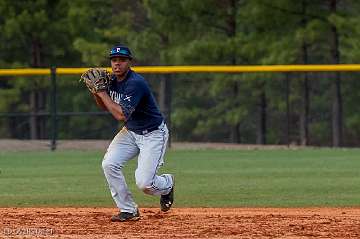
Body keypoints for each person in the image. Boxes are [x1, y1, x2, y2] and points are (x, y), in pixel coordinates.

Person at [93, 44, 174, 222]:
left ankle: (167, 184)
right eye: (114, 60)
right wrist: (97, 94)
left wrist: (102, 93)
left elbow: (120, 114)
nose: (117, 64)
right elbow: (104, 105)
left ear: (129, 62)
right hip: (131, 132)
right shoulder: (111, 80)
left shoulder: (135, 83)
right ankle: (128, 210)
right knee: (109, 164)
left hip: (153, 134)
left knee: (145, 184)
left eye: (122, 60)